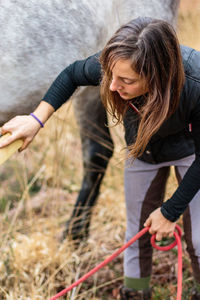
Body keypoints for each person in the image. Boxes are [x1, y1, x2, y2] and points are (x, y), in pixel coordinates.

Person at [0, 17, 200, 299]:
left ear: (157, 75)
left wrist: (170, 212)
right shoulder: (119, 65)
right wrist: (37, 119)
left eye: (126, 81)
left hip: (190, 150)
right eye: (110, 76)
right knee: (136, 232)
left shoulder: (196, 82)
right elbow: (72, 74)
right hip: (143, 152)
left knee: (199, 239)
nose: (111, 86)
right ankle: (136, 292)